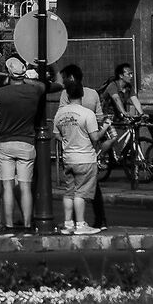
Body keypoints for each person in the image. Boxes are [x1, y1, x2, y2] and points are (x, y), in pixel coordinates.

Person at [0, 64, 47, 235]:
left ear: (8, 73)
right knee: (25, 186)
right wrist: (25, 78)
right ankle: (28, 226)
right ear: (23, 74)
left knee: (7, 186)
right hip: (27, 142)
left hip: (5, 142)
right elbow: (42, 86)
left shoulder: (0, 93)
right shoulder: (33, 91)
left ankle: (9, 226)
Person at [52, 72, 103, 233]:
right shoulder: (87, 113)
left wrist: (67, 140)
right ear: (82, 94)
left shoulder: (60, 114)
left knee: (69, 192)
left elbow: (56, 134)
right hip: (85, 157)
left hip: (69, 157)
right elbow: (95, 137)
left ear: (67, 95)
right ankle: (80, 224)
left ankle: (68, 224)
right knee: (81, 193)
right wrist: (106, 128)